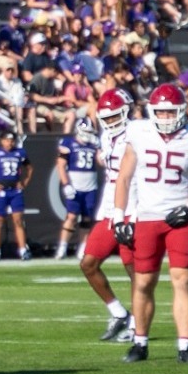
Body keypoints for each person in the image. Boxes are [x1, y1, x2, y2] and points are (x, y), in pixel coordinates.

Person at [112, 83, 188, 365]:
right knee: (142, 283)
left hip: (178, 220)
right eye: (161, 112)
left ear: (181, 112)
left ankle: (185, 345)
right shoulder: (139, 133)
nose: (166, 117)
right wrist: (119, 217)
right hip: (147, 218)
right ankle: (140, 342)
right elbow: (124, 178)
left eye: (171, 112)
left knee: (184, 281)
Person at [78, 91, 138, 341]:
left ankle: (137, 324)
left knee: (134, 270)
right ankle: (118, 311)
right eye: (108, 117)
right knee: (88, 263)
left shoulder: (140, 133)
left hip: (134, 208)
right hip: (110, 209)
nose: (112, 122)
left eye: (116, 116)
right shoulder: (106, 136)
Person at [55, 114, 104, 260]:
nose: (89, 135)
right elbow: (61, 165)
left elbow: (101, 163)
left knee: (87, 219)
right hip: (75, 186)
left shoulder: (94, 144)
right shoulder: (68, 142)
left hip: (90, 187)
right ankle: (62, 247)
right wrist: (66, 184)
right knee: (71, 216)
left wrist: (102, 150)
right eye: (87, 132)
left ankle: (82, 248)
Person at [0, 128, 30, 261]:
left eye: (11, 140)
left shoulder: (19, 153)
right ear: (1, 141)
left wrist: (24, 181)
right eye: (6, 140)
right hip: (2, 191)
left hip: (15, 190)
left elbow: (29, 168)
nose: (9, 143)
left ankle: (22, 250)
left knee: (18, 221)